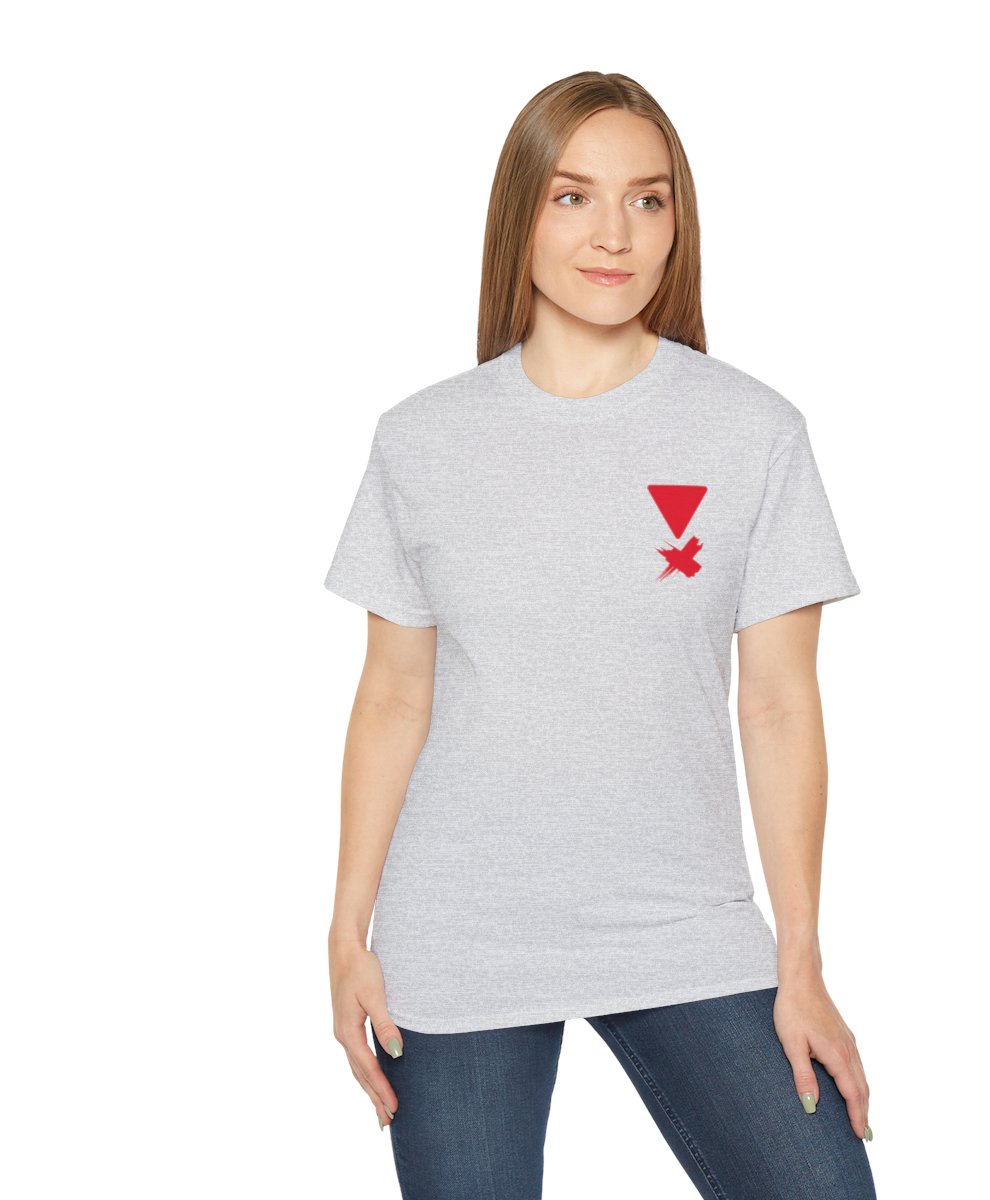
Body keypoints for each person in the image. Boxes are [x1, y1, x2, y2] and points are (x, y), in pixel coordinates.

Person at [324, 71, 877, 1200]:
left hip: (685, 926)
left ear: (679, 222)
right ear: (520, 213)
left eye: (648, 199)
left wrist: (801, 959)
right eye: (573, 197)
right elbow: (392, 696)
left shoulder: (753, 433)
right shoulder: (422, 439)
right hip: (459, 937)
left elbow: (778, 704)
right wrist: (346, 935)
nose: (614, 234)